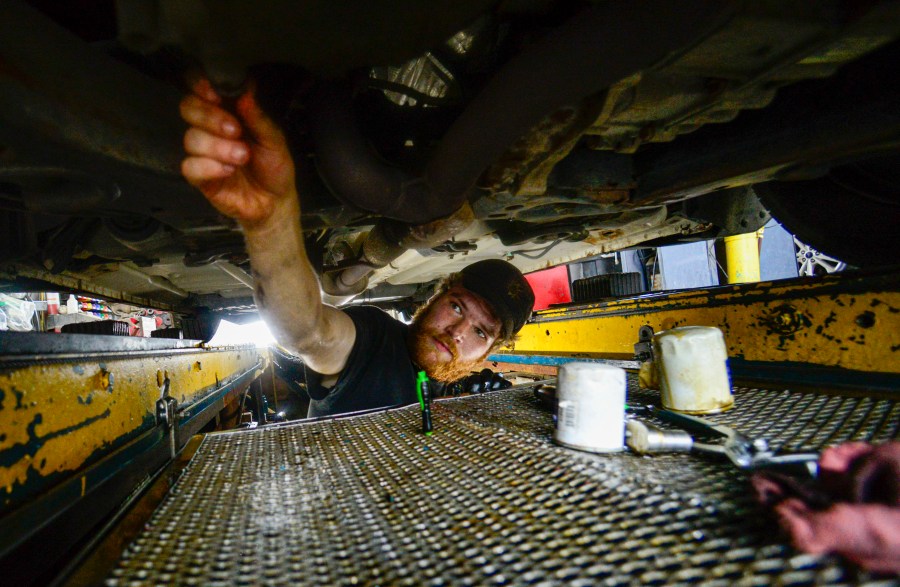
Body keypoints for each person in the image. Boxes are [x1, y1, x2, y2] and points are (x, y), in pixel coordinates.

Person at [179, 79, 535, 417]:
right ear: (435, 298)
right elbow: (308, 332)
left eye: (479, 332)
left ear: (489, 351)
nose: (457, 331)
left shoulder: (457, 389)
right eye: (456, 306)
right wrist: (270, 222)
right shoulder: (373, 339)